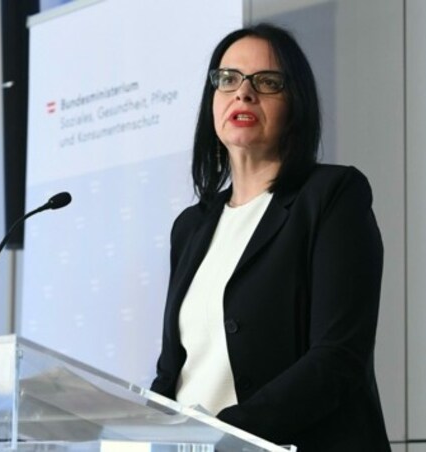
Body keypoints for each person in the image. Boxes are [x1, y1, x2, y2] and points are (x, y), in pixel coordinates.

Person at [150, 24, 390, 451]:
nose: (243, 93)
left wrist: (227, 435)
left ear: (295, 103)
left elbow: (337, 357)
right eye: (228, 79)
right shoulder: (191, 227)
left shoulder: (332, 196)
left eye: (267, 82)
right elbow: (173, 372)